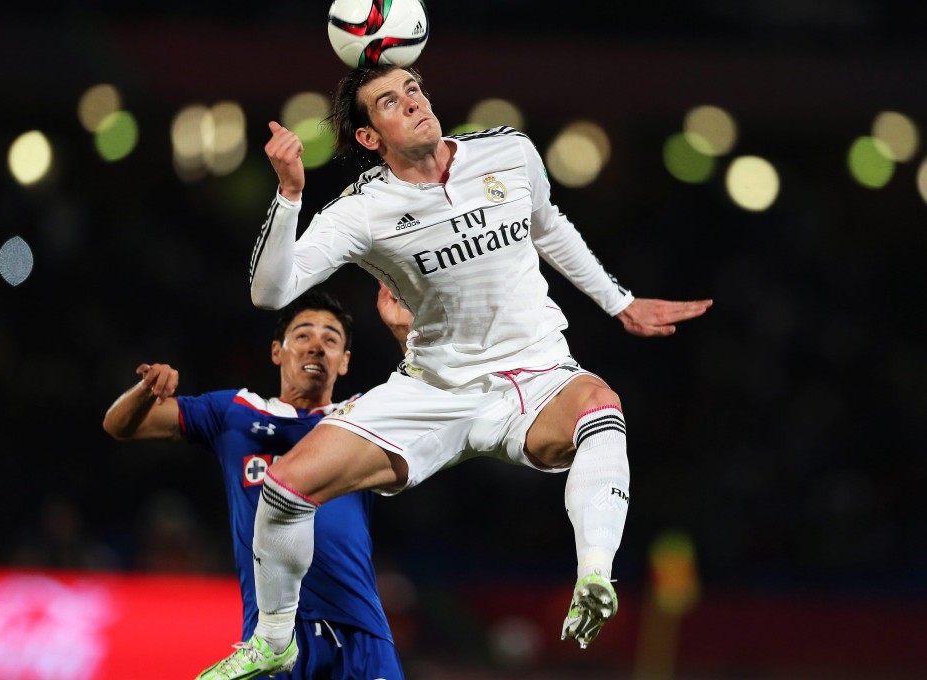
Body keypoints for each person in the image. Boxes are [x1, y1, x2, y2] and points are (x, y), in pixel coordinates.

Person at [243, 64, 714, 675]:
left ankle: (596, 574)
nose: (412, 102)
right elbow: (270, 291)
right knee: (284, 485)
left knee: (601, 404)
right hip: (433, 390)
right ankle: (275, 639)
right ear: (368, 138)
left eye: (413, 88)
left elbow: (547, 223)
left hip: (537, 375)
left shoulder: (509, 152)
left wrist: (618, 301)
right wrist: (288, 193)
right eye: (389, 101)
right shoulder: (362, 211)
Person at [102, 289, 410, 680]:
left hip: (359, 631)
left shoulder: (362, 415)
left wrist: (403, 334)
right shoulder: (234, 413)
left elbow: (427, 397)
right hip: (274, 641)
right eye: (303, 335)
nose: (316, 346)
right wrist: (146, 392)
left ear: (345, 362)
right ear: (277, 352)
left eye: (331, 340)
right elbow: (120, 425)